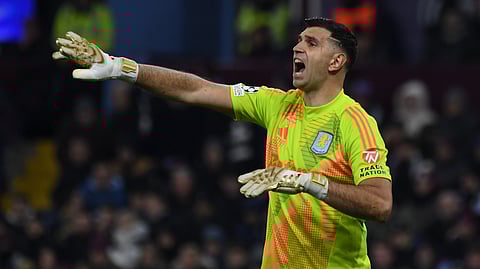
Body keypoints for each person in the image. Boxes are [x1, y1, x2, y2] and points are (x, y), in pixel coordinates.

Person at [52, 17, 392, 268]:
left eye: (311, 43)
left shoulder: (355, 122)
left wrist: (308, 182)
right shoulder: (278, 104)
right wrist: (119, 68)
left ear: (337, 62)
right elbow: (195, 88)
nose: (297, 47)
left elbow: (380, 205)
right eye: (299, 40)